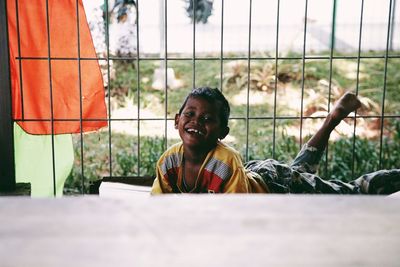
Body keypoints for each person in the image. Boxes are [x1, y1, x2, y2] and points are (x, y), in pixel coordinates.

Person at [151, 87, 400, 194]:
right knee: (300, 171)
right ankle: (332, 119)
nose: (196, 122)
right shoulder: (169, 161)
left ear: (222, 133)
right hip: (254, 175)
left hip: (277, 184)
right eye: (190, 114)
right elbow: (158, 206)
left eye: (207, 118)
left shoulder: (226, 161)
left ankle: (388, 176)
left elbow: (234, 214)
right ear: (176, 120)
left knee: (347, 193)